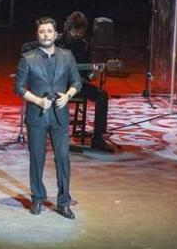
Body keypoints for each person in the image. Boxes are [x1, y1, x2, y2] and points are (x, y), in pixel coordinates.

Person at [15, 17, 82, 219]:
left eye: (49, 31)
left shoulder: (67, 56)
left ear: (55, 34)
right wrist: (37, 100)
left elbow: (77, 82)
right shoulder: (28, 58)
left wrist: (68, 95)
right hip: (37, 116)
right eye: (42, 32)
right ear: (37, 35)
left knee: (63, 158)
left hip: (60, 115)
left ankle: (63, 202)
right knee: (37, 158)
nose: (46, 35)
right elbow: (18, 88)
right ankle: (37, 198)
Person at [54, 11, 114, 152]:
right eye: (76, 31)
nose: (78, 35)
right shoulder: (57, 42)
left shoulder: (84, 46)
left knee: (102, 95)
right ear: (69, 29)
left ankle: (98, 138)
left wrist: (97, 71)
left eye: (81, 32)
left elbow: (89, 76)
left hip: (76, 85)